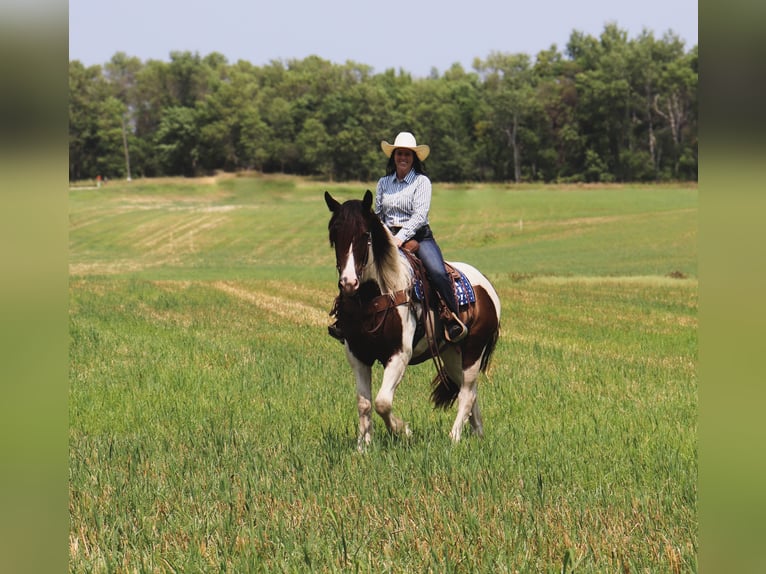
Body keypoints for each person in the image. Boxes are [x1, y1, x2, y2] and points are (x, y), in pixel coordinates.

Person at [328, 131, 468, 343]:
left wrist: (400, 238)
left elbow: (420, 216)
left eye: (407, 155)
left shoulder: (422, 183)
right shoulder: (384, 182)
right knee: (357, 267)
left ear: (414, 158)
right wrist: (384, 236)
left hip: (418, 238)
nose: (403, 158)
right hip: (386, 237)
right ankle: (344, 319)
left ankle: (450, 316)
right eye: (399, 154)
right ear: (393, 156)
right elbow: (378, 215)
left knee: (437, 272)